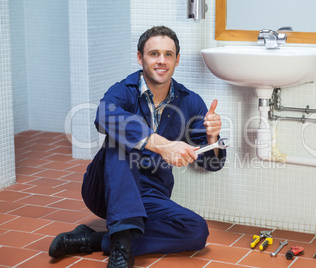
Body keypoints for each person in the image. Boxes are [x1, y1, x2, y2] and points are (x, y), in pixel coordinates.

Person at [48, 26, 226, 268]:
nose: (161, 61)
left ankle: (96, 240)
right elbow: (103, 116)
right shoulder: (123, 90)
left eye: (168, 54)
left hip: (150, 194)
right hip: (105, 188)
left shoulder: (190, 100)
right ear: (140, 57)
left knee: (196, 231)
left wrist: (213, 137)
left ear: (177, 60)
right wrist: (160, 145)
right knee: (119, 139)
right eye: (154, 54)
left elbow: (212, 163)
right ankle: (121, 253)